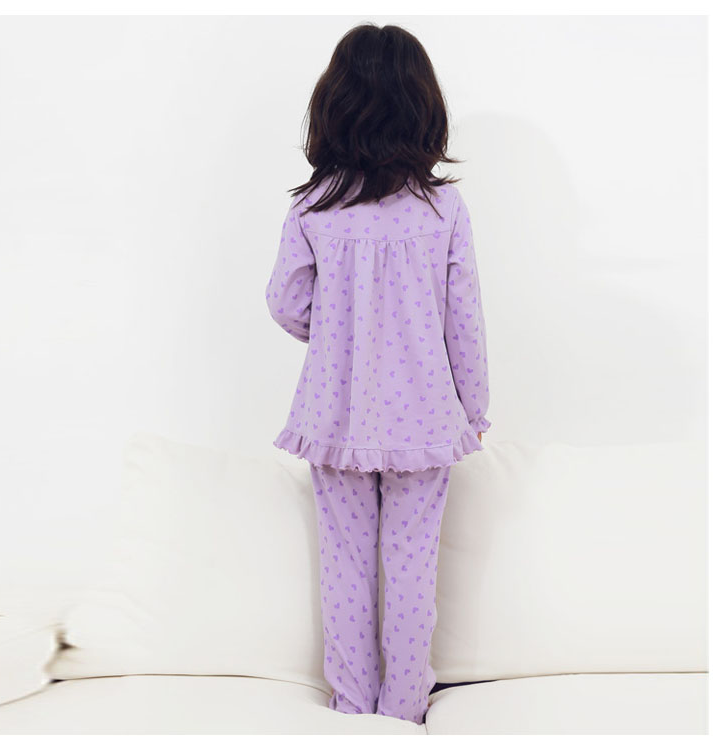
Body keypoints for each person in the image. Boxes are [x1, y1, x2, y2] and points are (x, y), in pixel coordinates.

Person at [264, 22, 491, 725]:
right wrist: (473, 410)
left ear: (333, 105)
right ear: (423, 107)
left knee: (345, 563)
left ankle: (351, 707)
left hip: (336, 414)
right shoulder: (443, 208)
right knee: (412, 565)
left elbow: (285, 301)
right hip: (424, 416)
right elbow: (464, 319)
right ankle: (404, 710)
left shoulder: (313, 207)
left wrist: (342, 336)